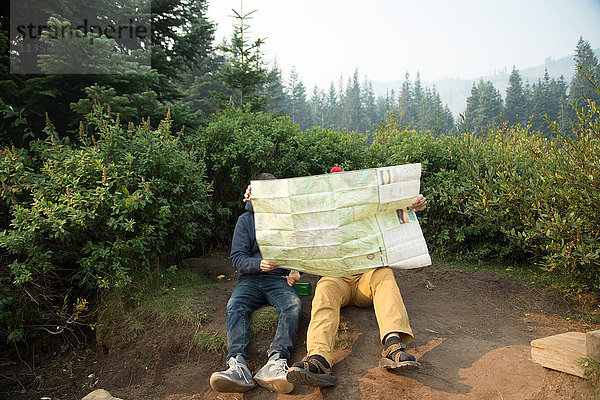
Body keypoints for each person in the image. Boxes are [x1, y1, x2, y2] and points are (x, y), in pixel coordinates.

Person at [285, 166, 427, 387]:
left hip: (365, 279)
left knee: (385, 274)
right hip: (336, 277)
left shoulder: (366, 208)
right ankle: (319, 359)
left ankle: (393, 345)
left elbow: (394, 213)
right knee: (323, 289)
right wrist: (296, 269)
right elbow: (307, 243)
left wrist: (414, 207)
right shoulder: (320, 216)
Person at [209, 173, 302, 394]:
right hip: (250, 279)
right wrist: (259, 264)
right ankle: (238, 365)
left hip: (278, 280)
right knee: (235, 305)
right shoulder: (245, 220)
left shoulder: (285, 219)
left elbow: (297, 253)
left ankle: (276, 361)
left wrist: (294, 270)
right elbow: (237, 258)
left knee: (293, 305)